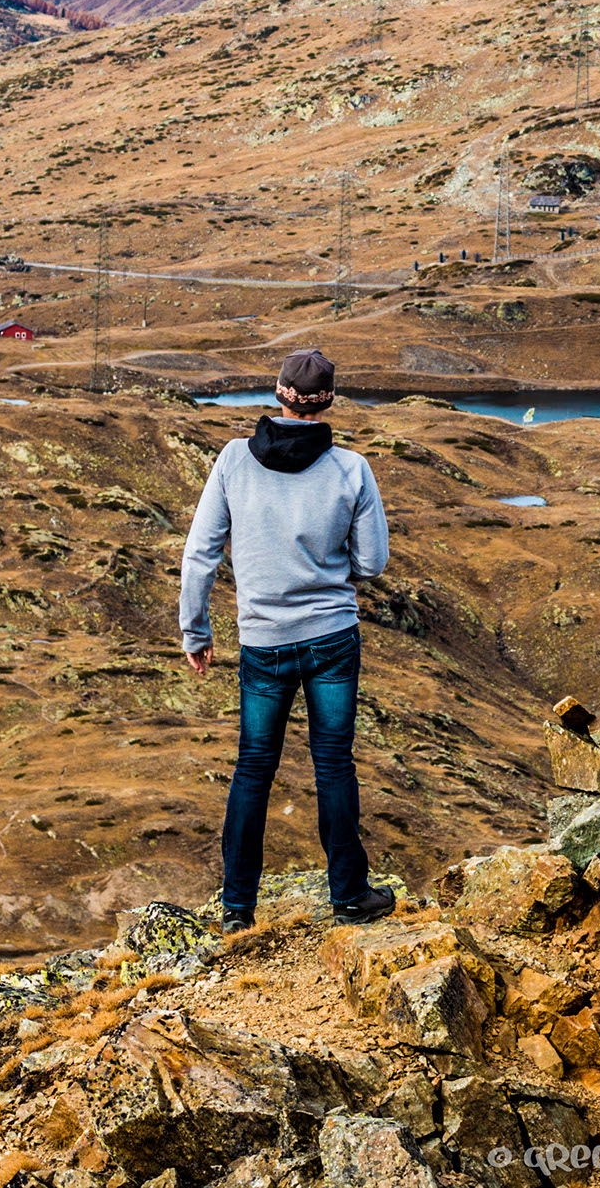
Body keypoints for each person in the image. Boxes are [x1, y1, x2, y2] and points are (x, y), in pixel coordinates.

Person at [179, 348, 395, 927]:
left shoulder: (233, 459)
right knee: (334, 764)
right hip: (331, 636)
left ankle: (237, 909)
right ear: (329, 401)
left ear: (278, 393)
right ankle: (349, 897)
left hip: (264, 641)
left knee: (253, 768)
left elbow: (200, 553)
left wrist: (195, 631)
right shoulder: (351, 469)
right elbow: (372, 562)